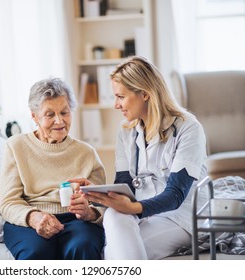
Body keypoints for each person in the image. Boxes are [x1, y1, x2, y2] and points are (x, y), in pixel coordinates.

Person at [70, 56, 208, 260]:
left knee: (112, 254)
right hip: (144, 213)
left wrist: (133, 208)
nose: (116, 105)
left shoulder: (188, 128)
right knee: (114, 215)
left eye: (120, 96)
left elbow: (176, 195)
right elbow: (124, 185)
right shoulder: (126, 131)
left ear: (144, 94)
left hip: (181, 216)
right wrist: (99, 194)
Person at [0, 77, 106, 260]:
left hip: (76, 220)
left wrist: (89, 212)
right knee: (36, 253)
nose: (59, 121)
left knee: (83, 248)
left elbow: (103, 204)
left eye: (64, 112)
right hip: (30, 219)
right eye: (50, 115)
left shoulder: (86, 153)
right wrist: (34, 217)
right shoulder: (15, 146)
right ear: (34, 116)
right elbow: (8, 203)